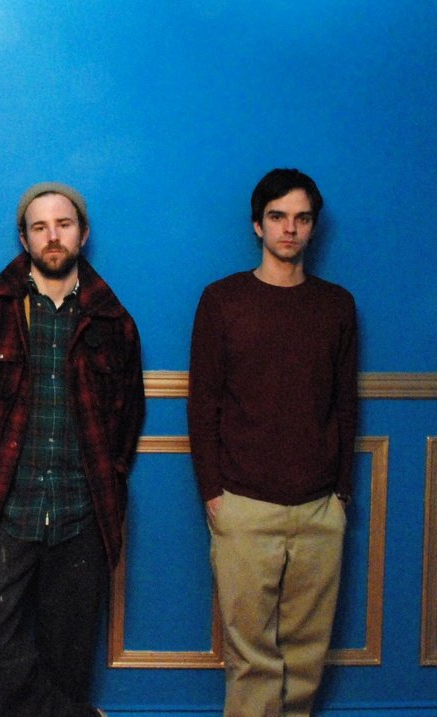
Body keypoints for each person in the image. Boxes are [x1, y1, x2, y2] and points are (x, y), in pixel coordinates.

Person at [0, 182, 145, 717]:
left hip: (82, 514)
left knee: (68, 662)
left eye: (63, 224)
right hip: (8, 509)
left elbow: (127, 417)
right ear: (24, 239)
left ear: (83, 233)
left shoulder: (113, 321)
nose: (52, 236)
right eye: (40, 227)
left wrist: (107, 474)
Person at [188, 168, 358, 717]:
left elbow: (345, 404)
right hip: (243, 505)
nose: (290, 229)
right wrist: (213, 495)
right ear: (257, 225)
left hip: (319, 508)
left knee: (306, 659)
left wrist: (341, 494)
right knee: (251, 660)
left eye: (301, 218)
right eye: (278, 217)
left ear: (313, 227)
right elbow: (203, 403)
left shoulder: (336, 305)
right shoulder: (222, 300)